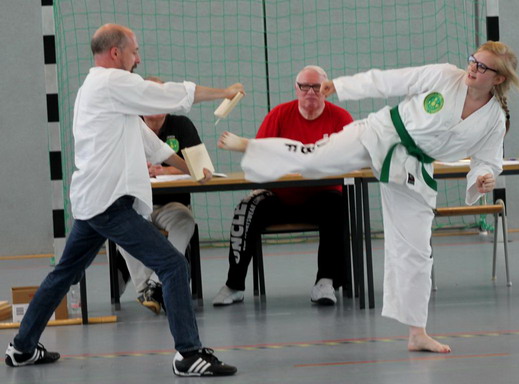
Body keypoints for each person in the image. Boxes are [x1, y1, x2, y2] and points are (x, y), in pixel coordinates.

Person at [218, 41, 519, 353]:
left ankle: (417, 333)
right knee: (314, 159)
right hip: (381, 134)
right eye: (473, 60)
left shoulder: (494, 120)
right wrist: (340, 85)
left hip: (414, 167)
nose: (473, 68)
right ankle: (254, 146)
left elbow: (487, 161)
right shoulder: (445, 76)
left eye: (482, 66)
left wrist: (482, 177)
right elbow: (392, 79)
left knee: (418, 251)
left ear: (498, 78)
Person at [5, 24, 243, 377]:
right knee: (173, 266)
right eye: (134, 51)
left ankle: (21, 348)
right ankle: (188, 354)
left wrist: (191, 168)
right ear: (115, 52)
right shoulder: (110, 83)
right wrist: (224, 91)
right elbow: (166, 94)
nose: (139, 58)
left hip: (94, 202)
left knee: (64, 274)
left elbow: (149, 143)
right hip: (108, 204)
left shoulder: (104, 92)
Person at [212, 65, 354, 306]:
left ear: (326, 89)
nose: (310, 92)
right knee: (246, 207)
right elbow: (260, 155)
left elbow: (351, 159)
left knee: (337, 204)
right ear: (296, 89)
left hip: (322, 197)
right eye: (304, 87)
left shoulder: (341, 118)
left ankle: (325, 282)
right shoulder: (279, 114)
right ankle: (234, 284)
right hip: (280, 197)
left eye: (316, 86)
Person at [117, 76, 202, 315]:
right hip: (136, 204)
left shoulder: (182, 126)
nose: (154, 112)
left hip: (171, 205)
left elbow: (198, 166)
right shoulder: (127, 126)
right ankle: (146, 288)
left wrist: (163, 169)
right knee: (119, 227)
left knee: (185, 221)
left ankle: (157, 283)